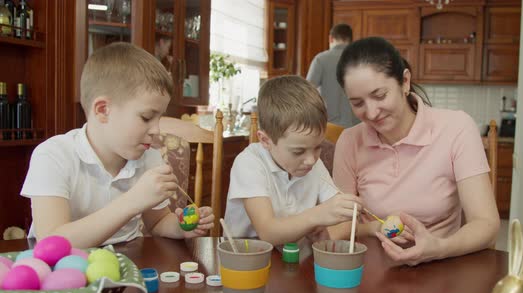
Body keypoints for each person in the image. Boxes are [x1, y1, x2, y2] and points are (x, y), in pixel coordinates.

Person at [20, 42, 214, 248]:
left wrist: (182, 226)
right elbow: (51, 243)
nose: (157, 130)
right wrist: (133, 201)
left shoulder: (149, 157)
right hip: (64, 270)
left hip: (127, 263)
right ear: (103, 110)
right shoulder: (53, 156)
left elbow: (157, 222)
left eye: (159, 117)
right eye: (147, 117)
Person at [331, 37, 500, 266]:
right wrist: (373, 228)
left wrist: (438, 248)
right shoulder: (349, 142)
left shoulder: (457, 128)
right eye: (357, 103)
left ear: (405, 82)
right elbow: (339, 229)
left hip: (441, 268)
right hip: (371, 272)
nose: (371, 113)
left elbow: (486, 224)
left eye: (380, 96)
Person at [224, 75, 363, 250]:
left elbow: (344, 222)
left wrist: (327, 234)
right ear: (266, 140)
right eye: (298, 151)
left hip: (293, 262)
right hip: (245, 261)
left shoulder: (313, 164)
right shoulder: (249, 163)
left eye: (318, 147)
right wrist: (317, 215)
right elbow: (268, 232)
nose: (311, 159)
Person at [306, 24, 360, 128]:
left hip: (330, 126)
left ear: (331, 38)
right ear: (351, 39)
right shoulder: (363, 59)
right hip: (357, 125)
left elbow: (306, 91)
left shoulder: (321, 59)